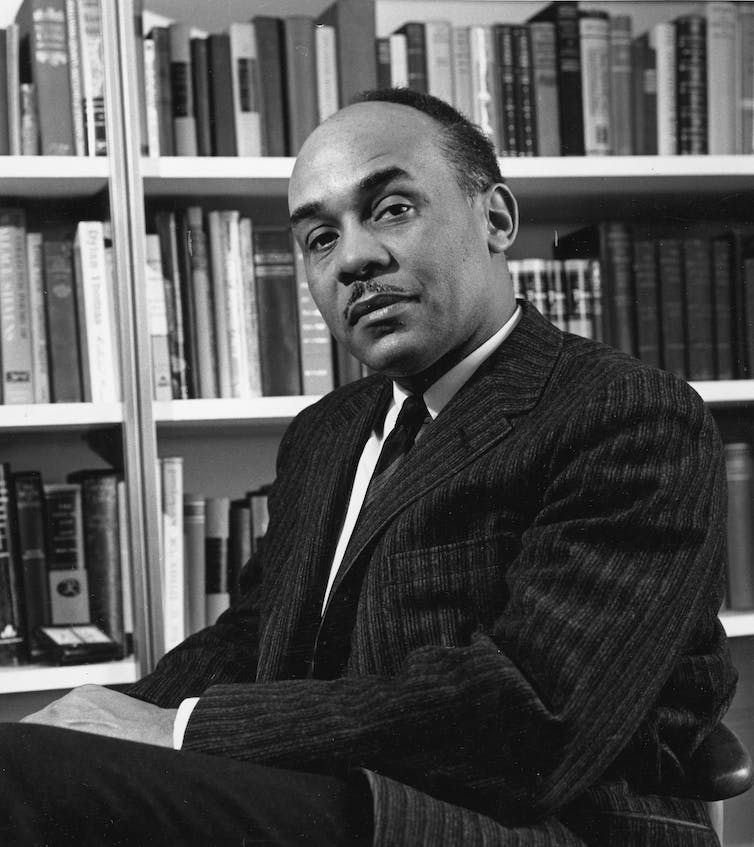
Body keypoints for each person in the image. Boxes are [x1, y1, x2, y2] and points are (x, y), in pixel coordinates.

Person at [2, 88, 737, 846]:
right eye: (320, 237)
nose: (353, 258)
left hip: (545, 824)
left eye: (391, 208)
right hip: (334, 795)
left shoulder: (629, 413)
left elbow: (532, 716)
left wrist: (178, 728)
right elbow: (252, 635)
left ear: (496, 219)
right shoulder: (326, 434)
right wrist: (97, 718)